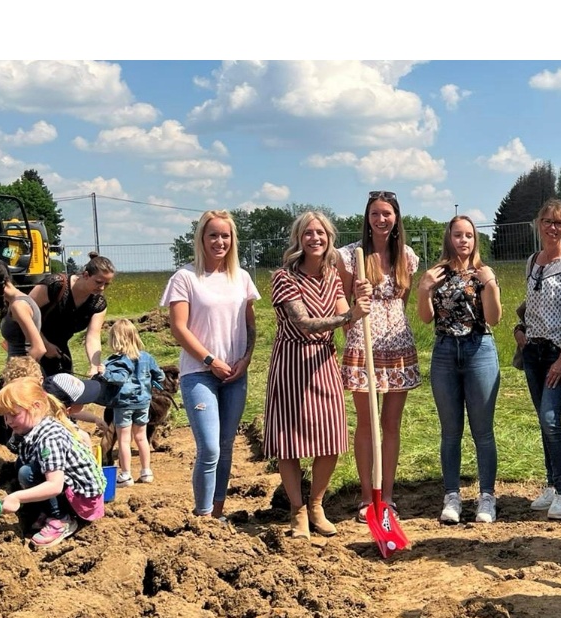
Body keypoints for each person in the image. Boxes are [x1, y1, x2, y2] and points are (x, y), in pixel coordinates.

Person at [264, 211, 371, 539]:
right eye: (308, 233)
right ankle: (296, 510)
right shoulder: (283, 277)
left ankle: (316, 504)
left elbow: (347, 318)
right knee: (290, 443)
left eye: (321, 233)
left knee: (331, 438)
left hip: (324, 362)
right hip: (292, 362)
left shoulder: (333, 277)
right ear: (299, 238)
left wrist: (360, 300)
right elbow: (304, 323)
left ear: (329, 239)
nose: (315, 238)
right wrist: (348, 316)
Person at [162, 210, 259, 520]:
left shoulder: (241, 278)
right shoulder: (185, 277)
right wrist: (210, 360)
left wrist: (245, 360)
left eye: (225, 236)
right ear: (201, 239)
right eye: (213, 235)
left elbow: (250, 324)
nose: (220, 241)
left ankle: (218, 513)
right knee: (210, 448)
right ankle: (202, 516)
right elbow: (179, 328)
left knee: (227, 446)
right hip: (199, 374)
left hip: (234, 375)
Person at [338, 190, 420, 522]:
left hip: (397, 347)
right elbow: (342, 300)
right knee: (367, 423)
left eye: (386, 213)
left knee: (391, 424)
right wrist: (353, 321)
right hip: (363, 345)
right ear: (367, 218)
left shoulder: (407, 257)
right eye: (375, 213)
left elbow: (405, 299)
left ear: (396, 217)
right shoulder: (351, 256)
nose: (381, 219)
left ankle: (387, 495)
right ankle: (365, 495)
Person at [417, 215, 502, 524]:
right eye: (457, 235)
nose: (463, 240)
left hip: (479, 349)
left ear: (475, 240)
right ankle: (452, 496)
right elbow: (426, 319)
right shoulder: (435, 274)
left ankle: (487, 498)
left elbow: (494, 318)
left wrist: (490, 284)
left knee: (483, 431)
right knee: (450, 432)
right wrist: (423, 289)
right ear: (448, 238)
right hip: (444, 354)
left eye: (468, 235)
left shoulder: (483, 273)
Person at [512, 198, 561, 520]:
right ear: (538, 225)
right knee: (543, 421)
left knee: (550, 419)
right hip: (533, 351)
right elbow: (531, 303)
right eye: (547, 221)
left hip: (560, 353)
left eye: (558, 222)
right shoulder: (533, 261)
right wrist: (520, 329)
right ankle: (550, 483)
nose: (552, 228)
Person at [0, 377, 105, 548]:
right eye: (5, 416)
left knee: (26, 472)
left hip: (84, 500)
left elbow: (55, 486)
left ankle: (61, 519)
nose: (8, 421)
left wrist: (16, 497)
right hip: (71, 490)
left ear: (36, 407)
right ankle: (48, 510)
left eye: (14, 414)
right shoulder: (34, 427)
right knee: (21, 464)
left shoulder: (50, 438)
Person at [0, 258, 47, 445]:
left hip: (19, 375)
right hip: (16, 372)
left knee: (4, 418)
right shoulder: (20, 301)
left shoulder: (18, 305)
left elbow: (38, 347)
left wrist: (20, 378)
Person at [29, 252, 116, 377]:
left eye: (106, 284)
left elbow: (93, 336)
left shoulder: (98, 303)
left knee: (64, 389)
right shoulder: (56, 285)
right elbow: (23, 313)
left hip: (58, 349)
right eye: (98, 282)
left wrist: (94, 366)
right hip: (29, 341)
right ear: (86, 275)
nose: (102, 288)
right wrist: (44, 344)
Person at [103, 318, 165, 487]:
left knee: (124, 439)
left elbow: (117, 379)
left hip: (123, 404)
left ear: (116, 339)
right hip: (143, 403)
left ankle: (126, 475)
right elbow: (160, 376)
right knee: (141, 437)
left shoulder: (117, 361)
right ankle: (146, 472)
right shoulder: (147, 357)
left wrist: (103, 373)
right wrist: (153, 381)